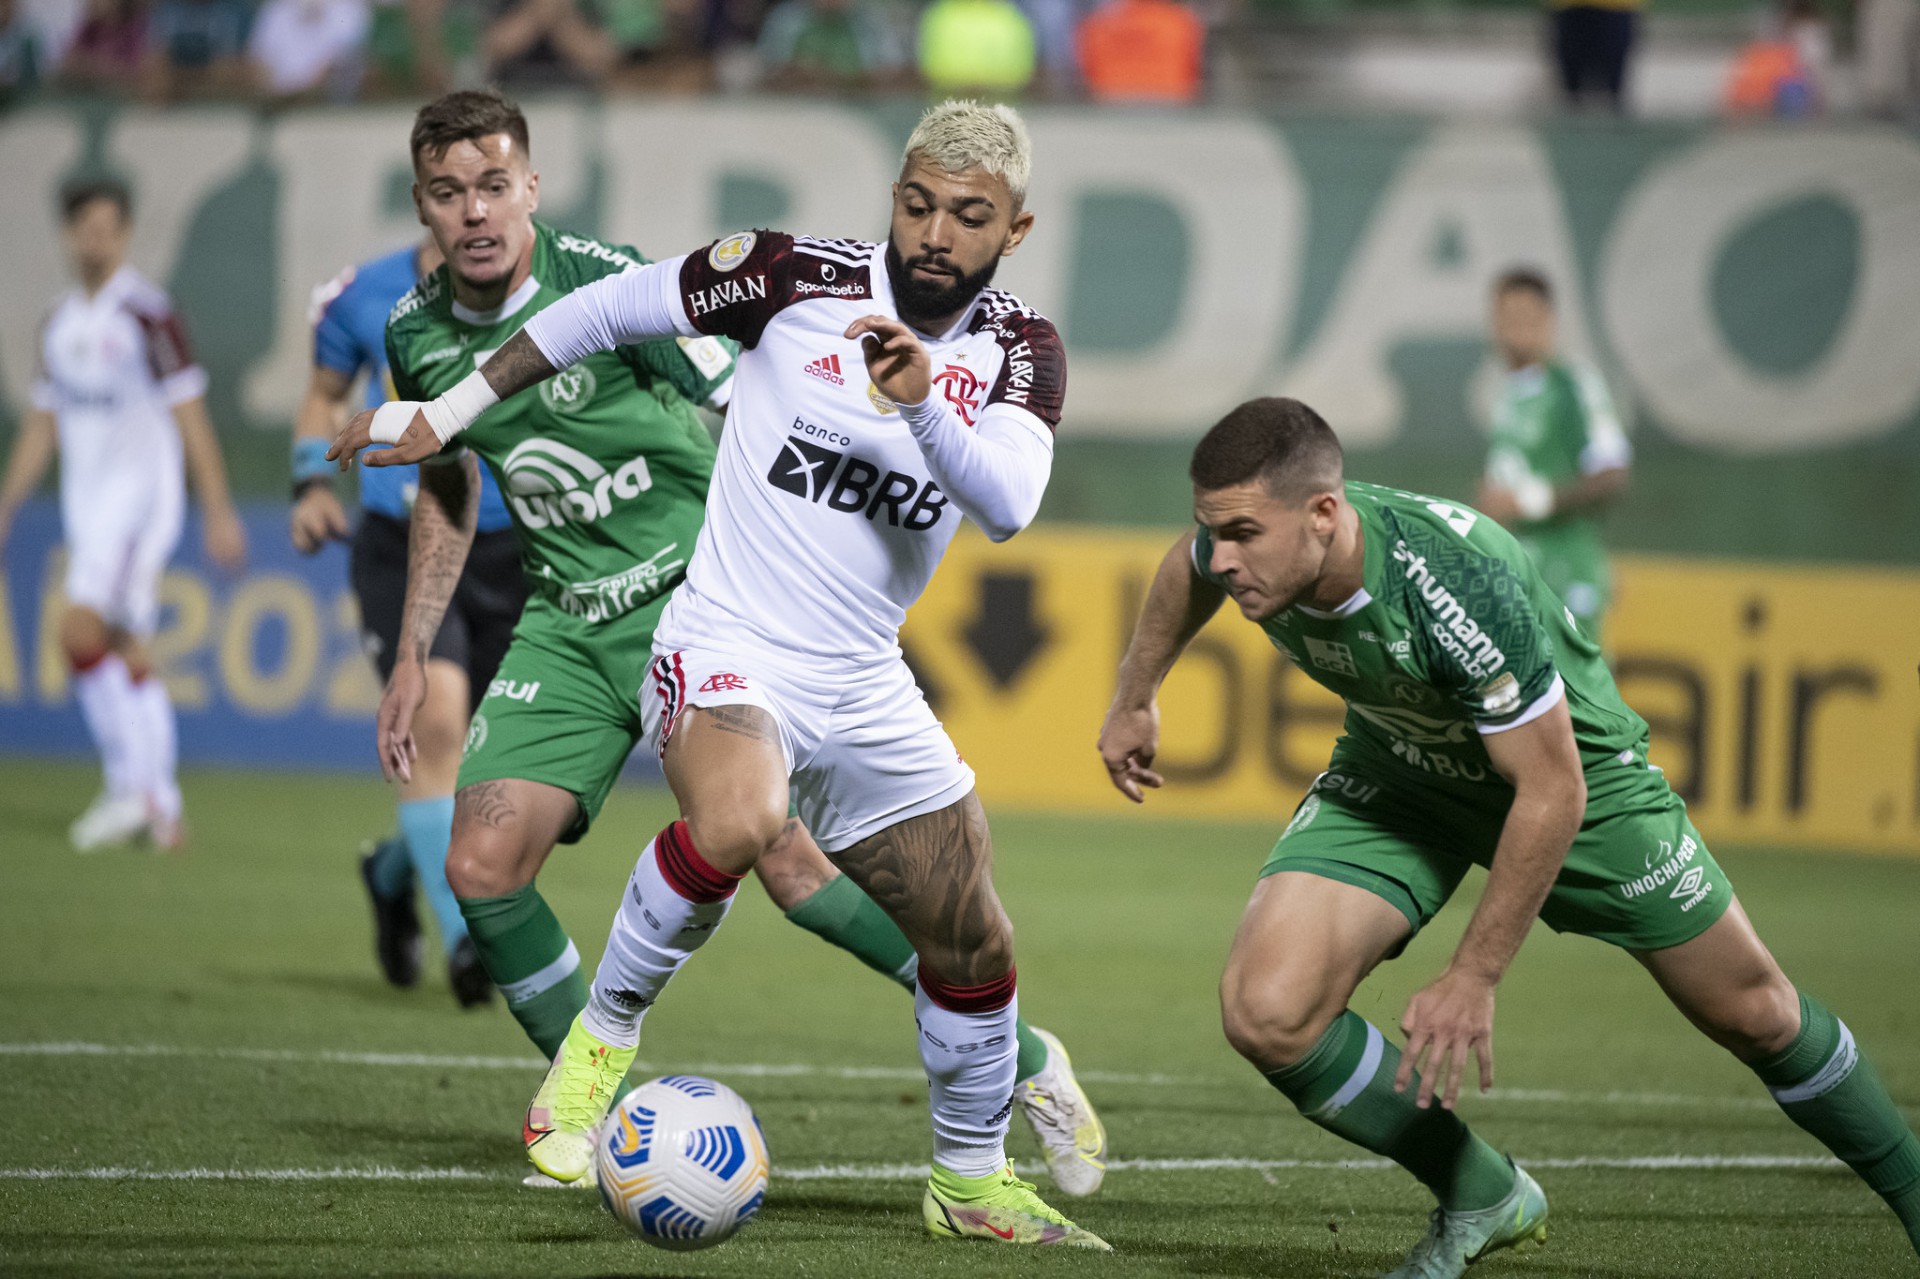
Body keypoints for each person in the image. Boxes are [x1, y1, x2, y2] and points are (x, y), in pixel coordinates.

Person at [329, 91, 1108, 1208]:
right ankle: (596, 1056)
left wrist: (922, 402)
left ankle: (979, 1172)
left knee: (970, 927)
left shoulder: (1019, 348)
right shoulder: (793, 276)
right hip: (711, 628)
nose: (937, 234)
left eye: (969, 216)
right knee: (729, 829)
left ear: (1013, 230)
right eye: (920, 206)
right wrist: (445, 417)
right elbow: (601, 315)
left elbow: (1008, 501)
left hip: (858, 670)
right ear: (894, 198)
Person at [1097, 397, 1920, 1277]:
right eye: (1212, 531)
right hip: (1402, 772)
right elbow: (1184, 570)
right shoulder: (1245, 546)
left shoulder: (1451, 579)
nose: (1223, 558)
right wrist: (1135, 692)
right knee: (1269, 1011)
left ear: (1325, 515)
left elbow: (1552, 788)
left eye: (1243, 534)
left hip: (1576, 783)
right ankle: (1483, 1191)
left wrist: (1472, 975)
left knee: (1755, 1012)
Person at [292, 236, 521, 1006]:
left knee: (496, 778)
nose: (470, 207)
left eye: (487, 183)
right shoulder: (365, 294)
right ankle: (467, 941)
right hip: (405, 539)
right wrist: (309, 480)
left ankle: (393, 871)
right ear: (425, 194)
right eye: (448, 186)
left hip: (518, 546)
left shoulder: (547, 287)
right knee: (439, 727)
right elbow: (324, 394)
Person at [0, 177, 246, 852]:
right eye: (87, 226)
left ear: (126, 233)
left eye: (110, 227)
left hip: (141, 500)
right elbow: (42, 424)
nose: (98, 239)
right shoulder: (58, 322)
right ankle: (159, 804)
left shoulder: (148, 314)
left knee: (77, 632)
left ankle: (129, 791)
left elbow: (190, 415)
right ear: (68, 232)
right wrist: (8, 501)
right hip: (88, 504)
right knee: (122, 646)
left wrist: (218, 508)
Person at [1477, 268, 1629, 650]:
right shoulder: (1507, 395)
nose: (1517, 327)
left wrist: (1528, 501)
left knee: (1575, 700)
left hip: (1565, 574)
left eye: (1528, 316)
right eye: (1507, 317)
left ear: (1549, 320)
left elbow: (1612, 476)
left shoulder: (1572, 385)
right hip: (1519, 574)